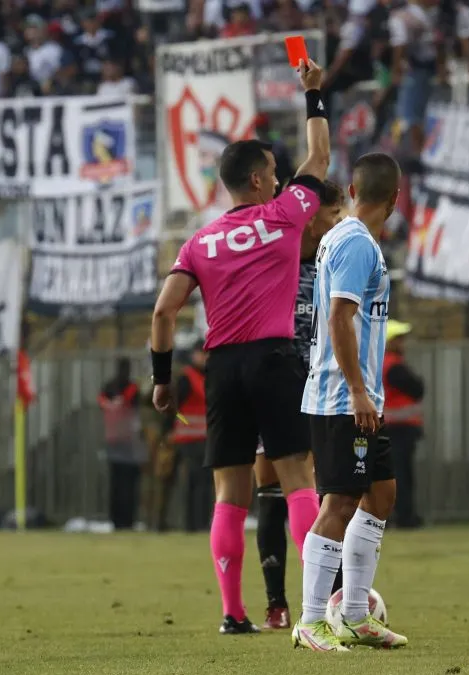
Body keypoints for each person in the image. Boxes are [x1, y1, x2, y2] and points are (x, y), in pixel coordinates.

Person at [150, 59, 331, 635]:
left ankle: (233, 613)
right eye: (274, 172)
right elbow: (320, 160)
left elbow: (163, 312)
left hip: (222, 366)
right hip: (275, 359)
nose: (280, 179)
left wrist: (161, 379)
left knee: (230, 493)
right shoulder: (282, 215)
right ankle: (319, 607)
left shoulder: (200, 242)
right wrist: (314, 95)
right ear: (257, 180)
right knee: (298, 478)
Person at [294, 152, 407, 652]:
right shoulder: (358, 244)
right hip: (344, 397)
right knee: (338, 501)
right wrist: (359, 390)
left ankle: (356, 615)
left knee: (380, 495)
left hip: (359, 397)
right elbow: (340, 318)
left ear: (355, 190)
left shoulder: (339, 237)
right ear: (396, 198)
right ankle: (313, 620)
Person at [254, 181, 346, 631]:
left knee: (321, 489)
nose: (339, 223)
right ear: (311, 218)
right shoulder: (277, 259)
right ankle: (277, 603)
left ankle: (335, 593)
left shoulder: (334, 262)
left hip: (319, 390)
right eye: (333, 215)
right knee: (271, 487)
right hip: (273, 385)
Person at [382, 319, 425, 529]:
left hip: (389, 427)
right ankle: (405, 517)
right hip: (399, 428)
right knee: (401, 475)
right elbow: (417, 388)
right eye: (399, 339)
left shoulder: (381, 363)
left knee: (390, 475)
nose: (403, 343)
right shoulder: (393, 365)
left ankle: (392, 516)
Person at [171, 339, 213, 533]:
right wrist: (179, 425)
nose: (204, 357)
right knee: (193, 482)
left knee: (204, 483)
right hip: (188, 440)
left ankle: (202, 522)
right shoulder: (186, 379)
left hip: (206, 438)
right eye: (200, 353)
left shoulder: (209, 376)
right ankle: (192, 524)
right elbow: (173, 407)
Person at [98, 358, 145, 530]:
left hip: (112, 441)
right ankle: (127, 519)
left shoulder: (108, 388)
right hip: (130, 442)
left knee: (115, 484)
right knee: (129, 484)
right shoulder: (133, 389)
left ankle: (115, 519)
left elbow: (101, 403)